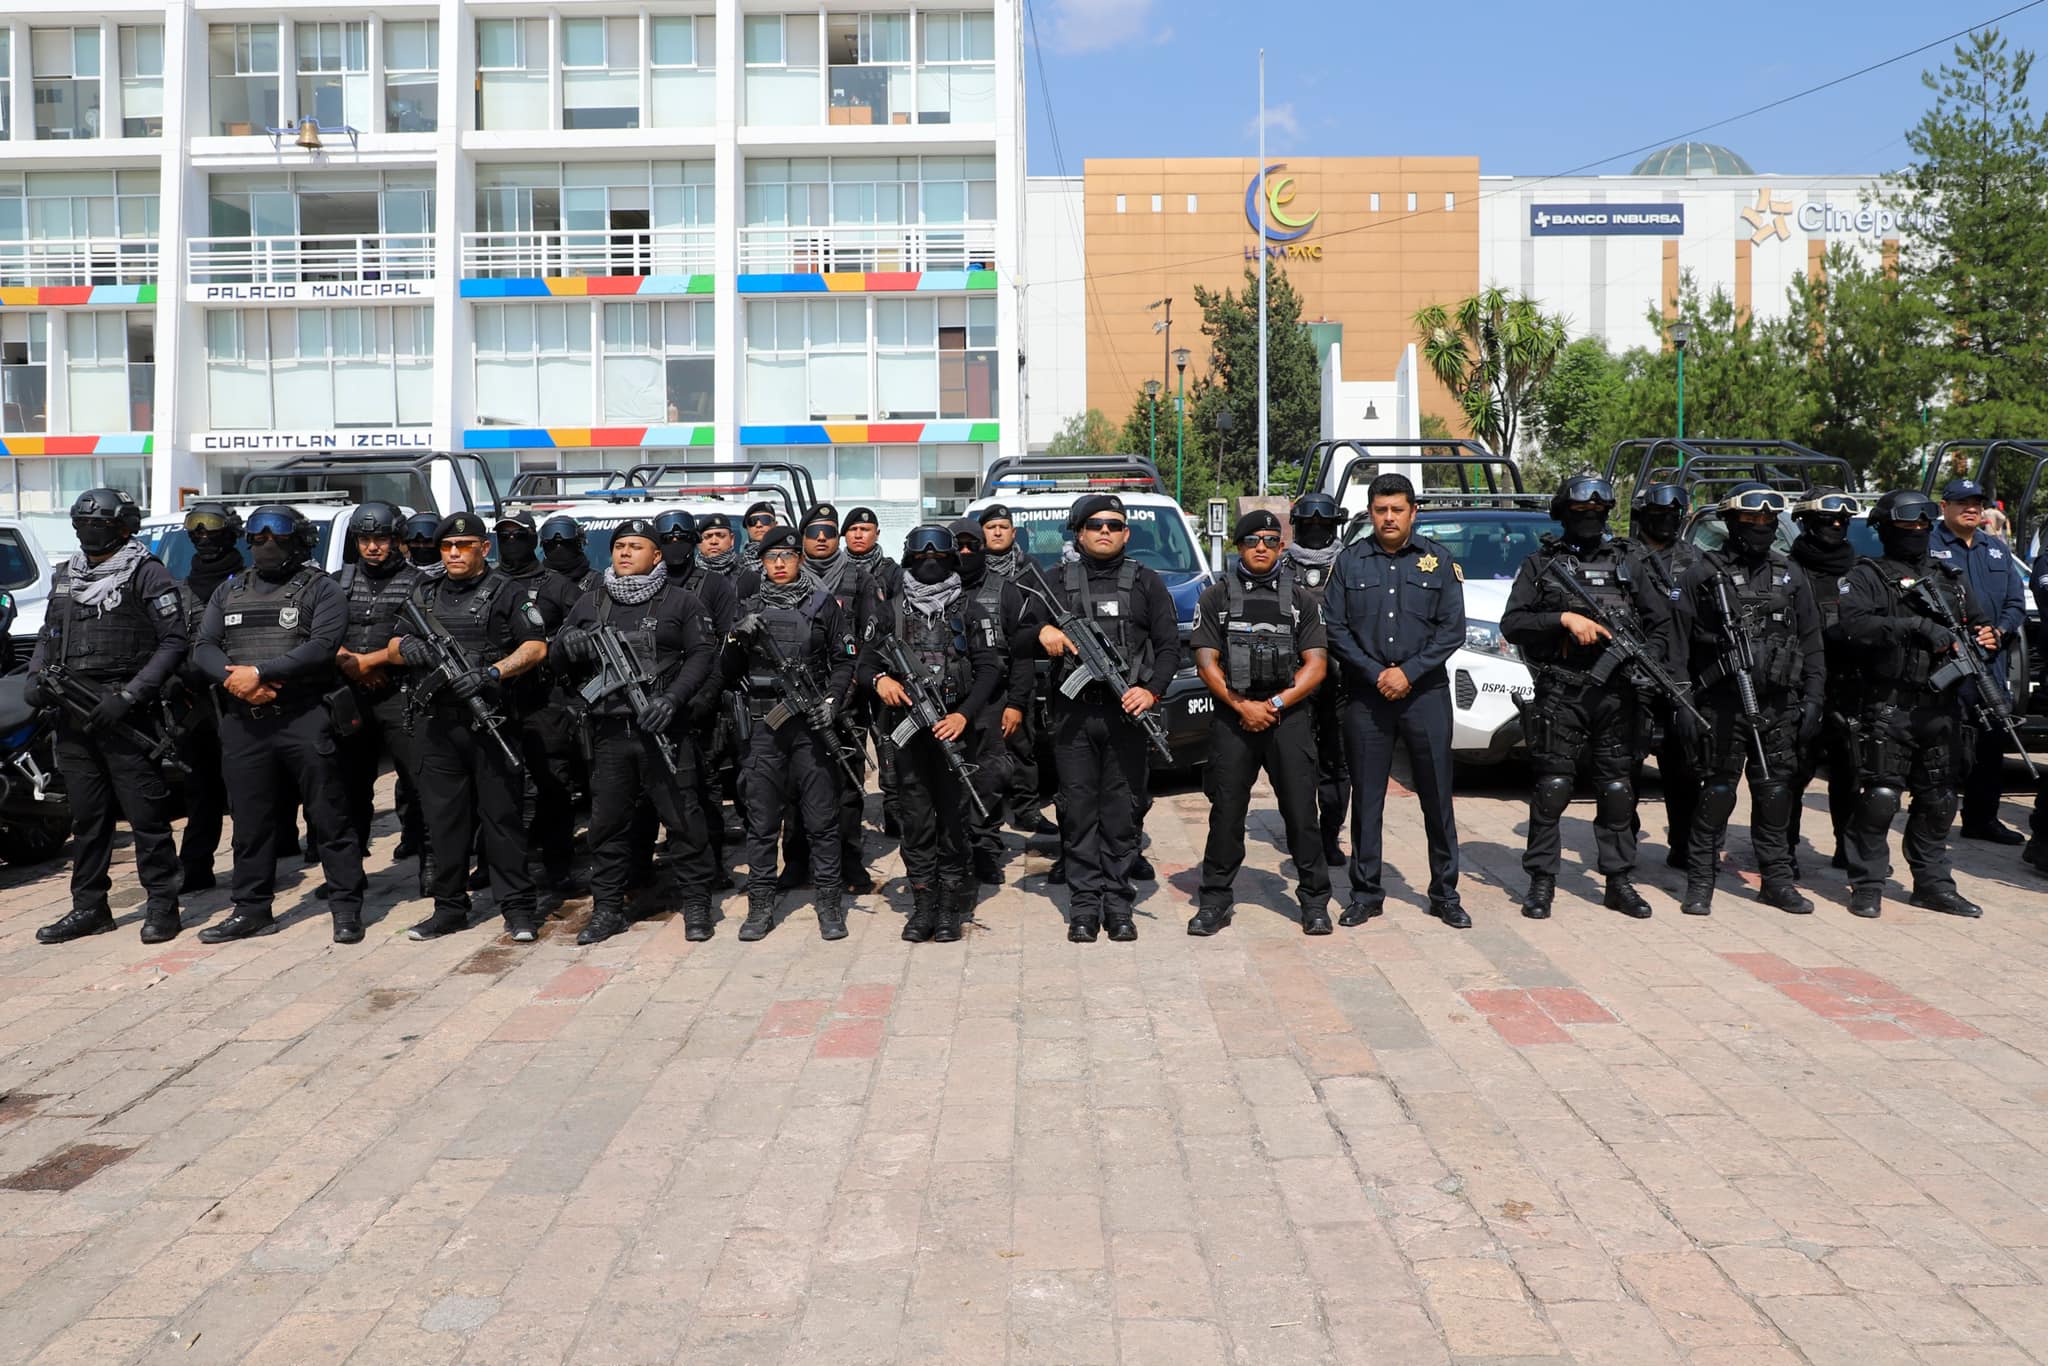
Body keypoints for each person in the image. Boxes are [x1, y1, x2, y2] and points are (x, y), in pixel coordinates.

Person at [191, 505, 369, 944]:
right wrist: (238, 680)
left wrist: (261, 673)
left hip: (304, 717)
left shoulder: (320, 589)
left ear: (299, 542)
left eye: (278, 539)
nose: (267, 547)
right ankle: (251, 908)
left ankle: (346, 907)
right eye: (258, 540)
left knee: (329, 816)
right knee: (250, 822)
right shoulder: (229, 590)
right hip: (244, 721)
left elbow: (321, 647)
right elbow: (204, 647)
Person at [1502, 474, 1673, 920]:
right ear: (1563, 514)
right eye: (1580, 511)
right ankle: (1541, 882)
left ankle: (1618, 881)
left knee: (1617, 790)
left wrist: (1641, 662)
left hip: (1618, 695)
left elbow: (1661, 626)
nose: (1590, 518)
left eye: (1597, 511)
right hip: (1563, 691)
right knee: (1553, 789)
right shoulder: (1541, 565)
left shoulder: (1629, 564)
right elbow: (1513, 623)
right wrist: (1562, 618)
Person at [27, 489, 188, 945]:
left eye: (98, 522)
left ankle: (163, 905)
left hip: (124, 714)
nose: (88, 530)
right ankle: (89, 907)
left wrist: (133, 694)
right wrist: (37, 676)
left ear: (123, 525)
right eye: (81, 522)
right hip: (72, 715)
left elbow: (174, 642)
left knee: (146, 818)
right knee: (87, 819)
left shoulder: (146, 574)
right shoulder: (66, 576)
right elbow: (48, 632)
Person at [554, 518, 721, 944]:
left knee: (683, 820)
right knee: (607, 825)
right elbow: (557, 657)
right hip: (610, 733)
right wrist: (568, 645)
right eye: (619, 546)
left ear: (657, 555)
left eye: (636, 546)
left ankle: (697, 905)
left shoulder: (680, 602)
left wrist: (673, 700)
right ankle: (607, 908)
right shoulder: (591, 602)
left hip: (664, 731)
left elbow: (703, 656)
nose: (626, 553)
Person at [394, 512, 552, 942]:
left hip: (490, 719)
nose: (453, 554)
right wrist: (411, 648)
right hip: (436, 725)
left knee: (502, 819)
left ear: (484, 549)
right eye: (447, 547)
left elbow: (536, 647)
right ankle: (448, 908)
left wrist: (492, 674)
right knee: (443, 822)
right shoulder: (424, 593)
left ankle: (518, 910)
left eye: (463, 546)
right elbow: (395, 643)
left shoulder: (507, 592)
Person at [1030, 493, 1180, 943]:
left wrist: (1150, 690)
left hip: (1126, 716)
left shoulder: (1147, 582)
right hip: (1074, 716)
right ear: (1079, 533)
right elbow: (1015, 633)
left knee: (1120, 812)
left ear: (1126, 534)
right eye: (1095, 525)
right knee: (1077, 812)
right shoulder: (1054, 580)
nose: (1105, 532)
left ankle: (1117, 903)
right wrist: (1044, 630)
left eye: (1114, 525)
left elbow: (1170, 646)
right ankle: (1082, 907)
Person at [1672, 483, 1826, 916]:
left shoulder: (1791, 574)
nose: (1760, 527)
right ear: (1732, 522)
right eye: (1750, 520)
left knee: (1775, 793)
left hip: (1778, 704)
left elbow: (1812, 642)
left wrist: (1814, 697)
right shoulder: (1702, 574)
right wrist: (1683, 702)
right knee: (1717, 792)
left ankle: (1776, 881)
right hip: (1720, 705)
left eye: (1766, 521)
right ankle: (1701, 881)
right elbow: (1677, 647)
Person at [1321, 474, 1467, 929]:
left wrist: (1408, 672)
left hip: (1425, 694)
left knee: (1438, 797)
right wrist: (1375, 673)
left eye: (1397, 510)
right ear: (1370, 513)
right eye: (1380, 510)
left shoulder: (1438, 562)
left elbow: (1452, 630)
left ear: (1412, 512)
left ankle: (1445, 892)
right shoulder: (1349, 563)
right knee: (1367, 799)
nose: (1388, 518)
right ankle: (1365, 892)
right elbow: (1336, 629)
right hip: (1367, 695)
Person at [1838, 491, 1993, 919]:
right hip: (1891, 705)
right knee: (1880, 797)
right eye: (1907, 526)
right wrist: (1912, 626)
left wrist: (1986, 637)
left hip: (1942, 708)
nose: (1917, 532)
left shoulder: (1950, 576)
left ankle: (1933, 884)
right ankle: (1867, 883)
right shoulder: (1867, 575)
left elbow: (1976, 623)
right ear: (1886, 528)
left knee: (1940, 799)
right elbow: (1851, 626)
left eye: (1924, 525)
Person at [1188, 508, 1334, 935]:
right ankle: (1215, 900)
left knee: (1301, 813)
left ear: (1282, 546)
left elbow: (1317, 665)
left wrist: (1271, 704)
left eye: (1271, 541)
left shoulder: (1301, 599)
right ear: (1238, 546)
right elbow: (1205, 663)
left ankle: (1314, 901)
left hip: (1286, 718)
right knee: (1227, 813)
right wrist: (1242, 706)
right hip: (1235, 717)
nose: (1262, 548)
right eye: (1253, 541)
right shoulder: (1215, 597)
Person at [863, 526, 1005, 942]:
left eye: (939, 555)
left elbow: (989, 669)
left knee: (955, 821)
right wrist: (880, 684)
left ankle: (949, 906)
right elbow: (864, 664)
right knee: (916, 821)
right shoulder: (888, 610)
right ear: (908, 558)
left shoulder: (971, 609)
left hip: (955, 732)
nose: (930, 561)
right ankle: (922, 903)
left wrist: (962, 716)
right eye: (922, 554)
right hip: (909, 737)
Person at [725, 526, 859, 941]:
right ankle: (761, 905)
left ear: (800, 559)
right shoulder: (747, 606)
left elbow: (844, 660)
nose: (779, 564)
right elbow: (727, 674)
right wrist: (734, 639)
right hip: (766, 727)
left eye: (787, 556)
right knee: (762, 821)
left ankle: (829, 904)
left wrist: (832, 703)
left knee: (822, 819)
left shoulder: (823, 606)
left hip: (812, 729)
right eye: (771, 558)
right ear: (762, 562)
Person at [772, 504, 876, 893]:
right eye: (813, 532)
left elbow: (869, 638)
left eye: (829, 532)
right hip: (793, 703)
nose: (821, 538)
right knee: (793, 787)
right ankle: (796, 862)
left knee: (847, 786)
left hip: (843, 699)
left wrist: (844, 691)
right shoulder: (781, 577)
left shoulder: (858, 577)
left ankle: (850, 861)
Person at [1931, 477, 2029, 843]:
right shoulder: (1929, 547)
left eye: (1976, 502)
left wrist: (1999, 631)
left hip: (1991, 662)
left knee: (1990, 742)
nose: (1970, 508)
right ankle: (1933, 818)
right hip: (1947, 662)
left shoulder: (1995, 548)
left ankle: (1981, 818)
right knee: (1945, 743)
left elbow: (2015, 602)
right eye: (1962, 502)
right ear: (1945, 507)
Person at [332, 501, 426, 865]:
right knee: (349, 787)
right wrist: (349, 662)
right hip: (349, 695)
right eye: (365, 539)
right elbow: (318, 632)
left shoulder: (420, 583)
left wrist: (370, 662)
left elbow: (421, 640)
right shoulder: (338, 581)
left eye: (381, 539)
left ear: (397, 539)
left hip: (402, 695)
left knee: (417, 783)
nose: (372, 547)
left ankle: (429, 863)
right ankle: (349, 867)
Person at [1622, 482, 1701, 864]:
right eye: (1659, 513)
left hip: (1683, 676)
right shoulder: (1622, 557)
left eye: (1675, 513)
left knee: (1685, 765)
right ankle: (1623, 845)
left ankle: (1683, 845)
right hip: (1632, 675)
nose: (1667, 520)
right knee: (1626, 764)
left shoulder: (1696, 560)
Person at [950, 516, 1032, 886]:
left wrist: (1016, 703)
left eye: (973, 546)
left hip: (992, 703)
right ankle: (953, 847)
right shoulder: (932, 588)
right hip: (945, 703)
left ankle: (985, 847)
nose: (966, 552)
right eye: (959, 546)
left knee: (990, 775)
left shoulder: (1005, 591)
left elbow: (1022, 654)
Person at [1787, 489, 1862, 872]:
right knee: (1793, 773)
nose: (1836, 525)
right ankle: (1784, 852)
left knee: (1850, 773)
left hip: (1850, 687)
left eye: (1842, 521)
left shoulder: (1860, 572)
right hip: (1800, 686)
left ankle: (1847, 849)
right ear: (1806, 523)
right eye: (1826, 520)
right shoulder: (1789, 572)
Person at [172, 502, 244, 893]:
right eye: (195, 529)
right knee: (200, 790)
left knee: (250, 790)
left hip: (244, 697)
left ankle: (254, 865)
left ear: (230, 533)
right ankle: (196, 866)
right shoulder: (179, 590)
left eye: (211, 528)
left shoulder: (246, 585)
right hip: (194, 704)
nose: (203, 536)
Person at [1283, 492, 1350, 869]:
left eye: (1323, 524)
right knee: (1298, 763)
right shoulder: (1282, 567)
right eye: (1308, 524)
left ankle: (1330, 833)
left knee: (1338, 763)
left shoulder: (1350, 564)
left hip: (1341, 682)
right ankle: (1303, 833)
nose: (1315, 530)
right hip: (1295, 683)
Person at [977, 503, 1050, 833]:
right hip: (979, 673)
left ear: (1013, 532)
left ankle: (1027, 809)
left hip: (1019, 666)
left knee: (1022, 743)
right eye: (990, 527)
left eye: (1002, 527)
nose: (996, 532)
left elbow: (1041, 615)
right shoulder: (972, 569)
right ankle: (982, 813)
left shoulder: (1030, 569)